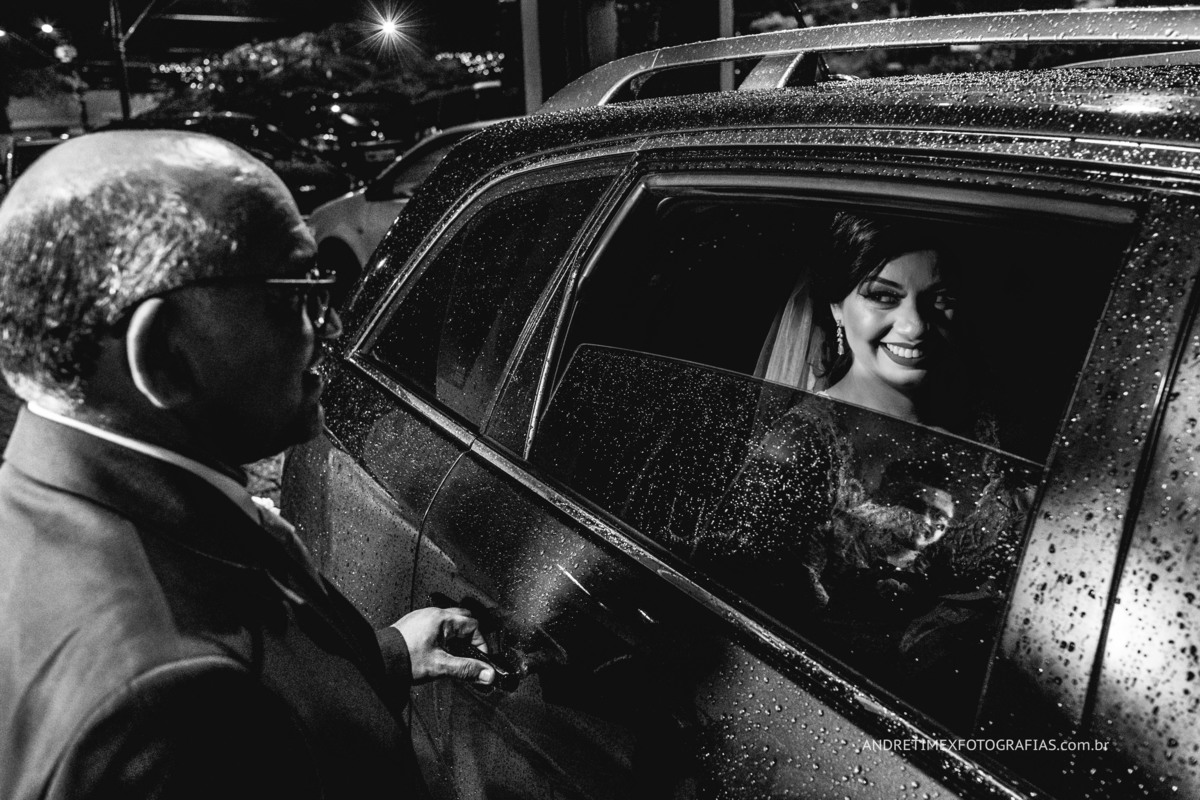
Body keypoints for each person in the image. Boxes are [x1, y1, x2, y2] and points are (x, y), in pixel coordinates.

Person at [0, 130, 495, 800]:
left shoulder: (46, 508)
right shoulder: (170, 714)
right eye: (294, 295)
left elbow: (272, 721)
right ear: (165, 353)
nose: (332, 327)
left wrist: (388, 656)